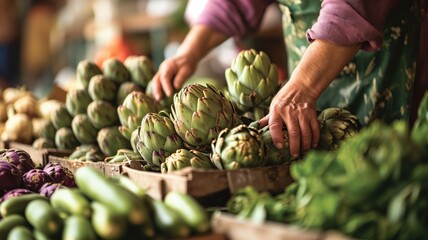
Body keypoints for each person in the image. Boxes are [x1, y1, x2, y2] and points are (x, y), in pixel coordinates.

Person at [151, 0, 428, 158]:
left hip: (395, 74)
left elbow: (353, 6)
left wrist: (304, 86)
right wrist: (188, 53)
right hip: (310, 94)